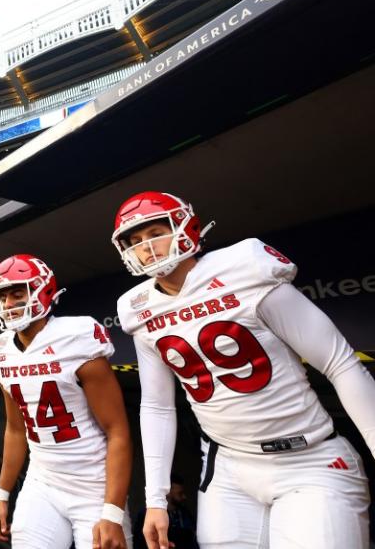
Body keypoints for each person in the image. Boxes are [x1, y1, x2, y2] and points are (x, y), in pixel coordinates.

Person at [111, 191, 375, 549]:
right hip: (229, 469)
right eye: (136, 241)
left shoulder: (243, 266)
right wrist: (155, 498)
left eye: (156, 232)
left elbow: (339, 363)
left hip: (309, 458)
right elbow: (157, 405)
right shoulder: (136, 307)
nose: (147, 246)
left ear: (186, 227)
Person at [0, 254, 132, 549]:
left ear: (44, 291)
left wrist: (113, 511)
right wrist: (2, 494)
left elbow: (118, 431)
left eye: (18, 293)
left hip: (93, 483)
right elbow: (16, 430)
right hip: (43, 482)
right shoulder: (0, 349)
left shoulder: (75, 337)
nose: (10, 304)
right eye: (3, 297)